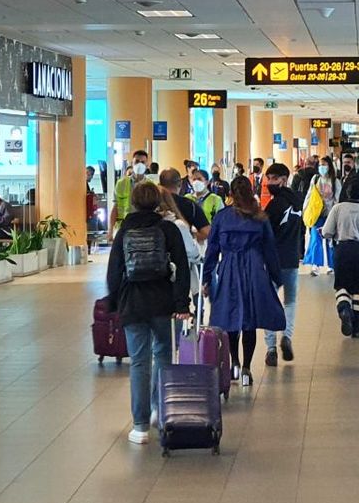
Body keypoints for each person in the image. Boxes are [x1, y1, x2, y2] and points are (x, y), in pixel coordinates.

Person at [105, 182, 194, 445]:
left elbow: (114, 270)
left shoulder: (125, 231)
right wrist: (181, 305)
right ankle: (161, 411)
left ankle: (140, 427)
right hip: (162, 302)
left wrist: (113, 303)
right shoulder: (168, 228)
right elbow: (183, 268)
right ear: (158, 202)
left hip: (132, 302)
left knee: (139, 362)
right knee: (164, 355)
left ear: (132, 202)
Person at [202, 176, 286, 388]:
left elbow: (212, 249)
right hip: (254, 268)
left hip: (229, 267)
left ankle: (235, 364)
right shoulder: (260, 217)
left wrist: (207, 277)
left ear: (230, 194)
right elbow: (270, 249)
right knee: (250, 318)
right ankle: (247, 367)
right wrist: (276, 276)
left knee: (231, 317)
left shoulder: (221, 217)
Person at [261, 163, 302, 367]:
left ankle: (270, 348)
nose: (270, 182)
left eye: (274, 178)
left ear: (285, 179)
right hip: (292, 259)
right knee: (290, 301)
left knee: (270, 301)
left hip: (273, 260)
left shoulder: (275, 205)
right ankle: (287, 336)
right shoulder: (298, 202)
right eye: (268, 178)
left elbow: (264, 232)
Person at [323, 195, 359, 337]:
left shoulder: (337, 208)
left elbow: (326, 231)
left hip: (342, 250)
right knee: (358, 287)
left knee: (341, 284)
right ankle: (356, 327)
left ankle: (343, 307)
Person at [301, 155, 339, 275]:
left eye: (325, 165)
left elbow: (337, 199)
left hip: (330, 215)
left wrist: (335, 214)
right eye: (321, 165)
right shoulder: (315, 179)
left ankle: (331, 265)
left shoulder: (335, 181)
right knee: (315, 239)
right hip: (316, 214)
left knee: (330, 240)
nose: (322, 167)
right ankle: (315, 265)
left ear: (329, 166)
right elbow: (309, 195)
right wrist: (305, 209)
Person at [159, 168, 210, 242]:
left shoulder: (152, 202)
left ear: (160, 184)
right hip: (181, 250)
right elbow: (206, 232)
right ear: (180, 183)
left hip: (155, 249)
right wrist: (189, 234)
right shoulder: (189, 204)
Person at [113, 149, 150, 228]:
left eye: (142, 162)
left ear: (147, 165)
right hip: (124, 225)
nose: (139, 164)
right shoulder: (121, 183)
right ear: (132, 163)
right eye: (137, 161)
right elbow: (115, 207)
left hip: (143, 226)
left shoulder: (150, 185)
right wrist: (110, 230)